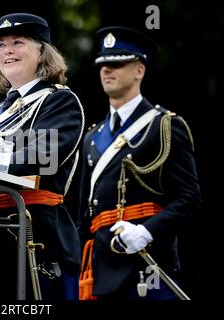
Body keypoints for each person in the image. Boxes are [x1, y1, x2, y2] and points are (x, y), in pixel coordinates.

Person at [0, 12, 85, 300]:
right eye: (1, 45)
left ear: (43, 53)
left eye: (17, 42)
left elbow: (39, 157)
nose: (7, 51)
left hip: (35, 236)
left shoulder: (58, 100)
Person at [76, 26, 201, 300]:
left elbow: (189, 199)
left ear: (139, 70)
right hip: (100, 265)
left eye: (117, 63)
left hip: (148, 263)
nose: (107, 70)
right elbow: (83, 216)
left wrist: (146, 231)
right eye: (103, 64)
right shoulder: (92, 138)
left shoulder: (164, 125)